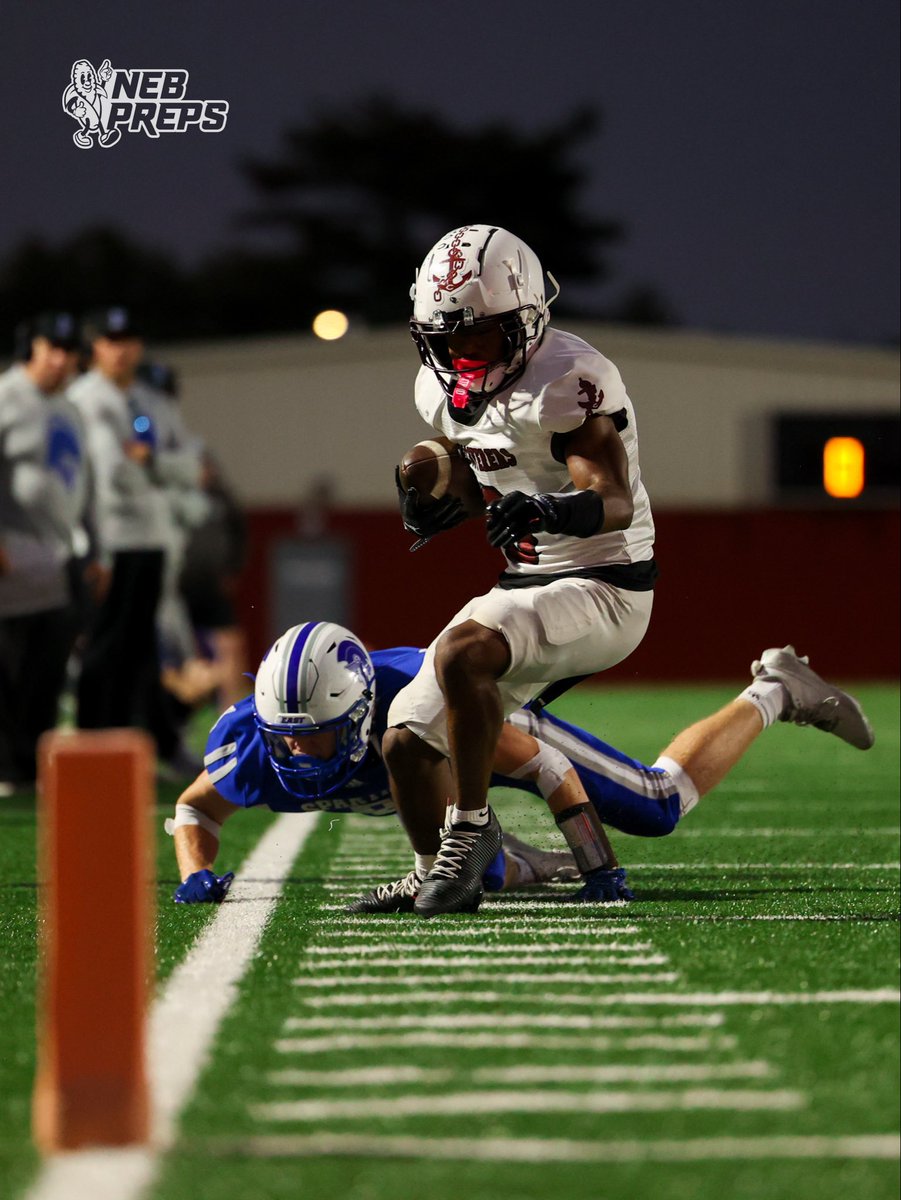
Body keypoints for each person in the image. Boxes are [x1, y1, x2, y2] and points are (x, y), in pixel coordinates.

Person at [167, 622, 874, 910]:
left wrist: (600, 867)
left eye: (315, 737)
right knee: (483, 870)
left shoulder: (421, 716)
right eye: (285, 737)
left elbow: (545, 771)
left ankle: (776, 688)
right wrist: (196, 873)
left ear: (355, 713)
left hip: (481, 722)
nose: (297, 751)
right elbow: (195, 808)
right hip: (439, 776)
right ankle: (515, 860)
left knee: (656, 805)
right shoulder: (262, 741)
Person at [382, 224, 657, 916]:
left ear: (527, 319)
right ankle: (431, 870)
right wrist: (442, 498)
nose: (459, 355)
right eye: (443, 341)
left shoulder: (569, 378)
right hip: (525, 585)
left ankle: (469, 834)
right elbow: (489, 468)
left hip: (605, 582)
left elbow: (612, 500)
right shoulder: (438, 390)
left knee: (461, 654)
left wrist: (544, 510)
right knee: (404, 740)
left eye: (475, 336)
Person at [69, 309, 205, 776]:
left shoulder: (149, 397)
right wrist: (159, 466)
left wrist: (152, 463)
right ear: (95, 347)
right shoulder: (85, 399)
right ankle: (91, 747)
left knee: (141, 649)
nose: (121, 348)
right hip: (110, 540)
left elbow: (192, 463)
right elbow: (115, 474)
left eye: (128, 338)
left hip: (153, 539)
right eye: (110, 339)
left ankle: (152, 744)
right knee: (107, 647)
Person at [0, 312, 95, 792]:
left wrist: (91, 544)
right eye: (51, 348)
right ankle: (6, 765)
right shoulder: (6, 396)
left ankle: (28, 764)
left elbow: (79, 478)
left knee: (48, 666)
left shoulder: (67, 406)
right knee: (9, 667)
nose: (61, 359)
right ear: (30, 347)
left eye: (69, 351)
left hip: (58, 555)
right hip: (12, 554)